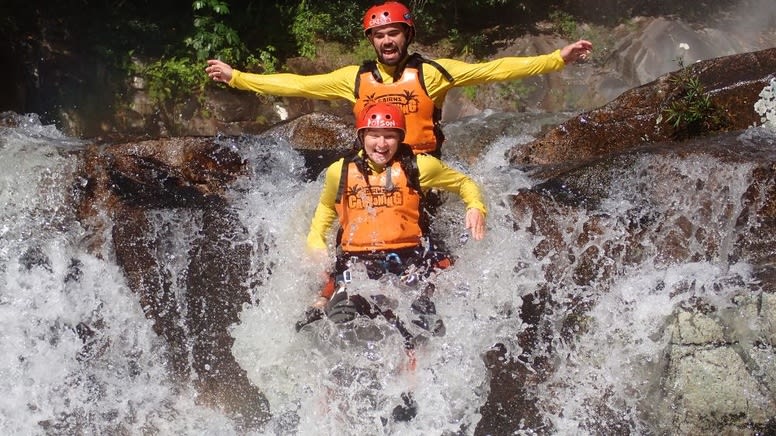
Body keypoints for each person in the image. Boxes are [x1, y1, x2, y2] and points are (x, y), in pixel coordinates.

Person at [205, 1, 593, 157]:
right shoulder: (352, 78)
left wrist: (556, 58)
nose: (387, 40)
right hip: (372, 169)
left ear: (407, 36)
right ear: (371, 40)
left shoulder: (434, 72)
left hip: (423, 166)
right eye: (380, 34)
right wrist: (237, 77)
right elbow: (296, 85)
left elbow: (495, 70)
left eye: (394, 32)